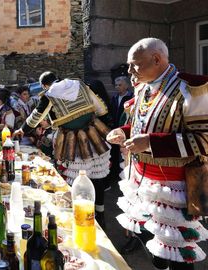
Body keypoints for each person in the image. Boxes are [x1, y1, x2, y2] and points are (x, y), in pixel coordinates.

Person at [107, 37, 208, 269]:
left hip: (175, 188)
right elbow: (140, 126)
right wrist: (123, 132)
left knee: (178, 254)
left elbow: (204, 140)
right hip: (141, 180)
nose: (130, 70)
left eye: (135, 64)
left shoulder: (192, 87)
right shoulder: (143, 87)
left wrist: (151, 143)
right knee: (153, 244)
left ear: (156, 59)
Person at [13, 71, 112, 227]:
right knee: (97, 177)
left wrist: (22, 130)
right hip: (94, 134)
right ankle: (100, 214)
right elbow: (101, 108)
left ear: (44, 85)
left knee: (77, 179)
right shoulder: (80, 84)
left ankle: (81, 218)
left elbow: (36, 116)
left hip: (72, 140)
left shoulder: (49, 95)